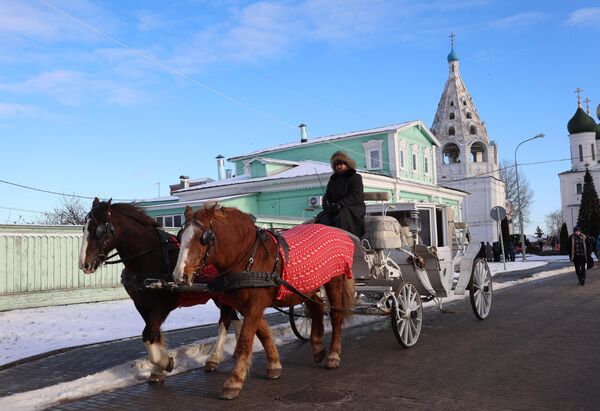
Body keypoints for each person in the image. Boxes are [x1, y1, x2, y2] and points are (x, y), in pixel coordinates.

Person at [315, 151, 366, 237]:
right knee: (323, 217)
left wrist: (340, 204)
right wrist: (328, 205)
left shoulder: (355, 177)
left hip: (354, 207)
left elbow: (356, 195)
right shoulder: (333, 180)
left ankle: (347, 238)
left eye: (341, 164)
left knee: (343, 214)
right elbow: (328, 196)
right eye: (336, 165)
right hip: (337, 208)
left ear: (347, 164)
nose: (339, 166)